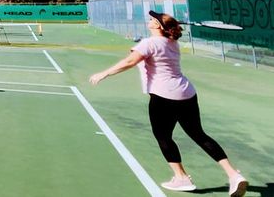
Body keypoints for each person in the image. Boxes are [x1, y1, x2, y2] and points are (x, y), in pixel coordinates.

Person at [89, 11, 247, 196]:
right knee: (199, 135)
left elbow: (130, 61)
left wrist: (104, 73)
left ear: (157, 25)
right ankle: (233, 174)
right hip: (187, 93)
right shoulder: (172, 42)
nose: (149, 21)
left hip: (163, 97)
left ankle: (181, 178)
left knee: (163, 137)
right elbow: (140, 56)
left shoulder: (150, 43)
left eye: (152, 19)